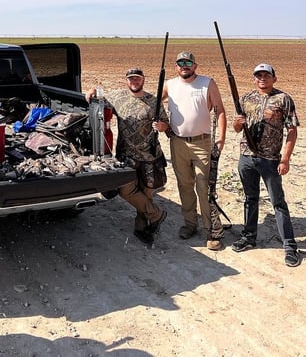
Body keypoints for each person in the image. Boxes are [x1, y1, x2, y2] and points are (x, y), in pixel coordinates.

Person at [85, 68, 168, 244]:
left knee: (146, 193)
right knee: (126, 191)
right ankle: (156, 214)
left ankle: (142, 228)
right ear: (126, 81)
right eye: (131, 79)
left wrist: (162, 127)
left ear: (143, 80)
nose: (134, 82)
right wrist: (91, 91)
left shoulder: (154, 101)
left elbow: (166, 125)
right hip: (125, 156)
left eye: (137, 78)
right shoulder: (117, 97)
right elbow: (99, 101)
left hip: (149, 157)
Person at [154, 51, 227, 250]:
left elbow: (220, 110)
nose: (184, 65)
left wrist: (220, 139)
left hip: (202, 143)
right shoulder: (169, 85)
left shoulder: (207, 83)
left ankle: (212, 230)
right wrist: (165, 125)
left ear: (195, 65)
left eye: (188, 62)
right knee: (184, 185)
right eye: (180, 63)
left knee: (204, 187)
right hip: (177, 143)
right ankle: (190, 224)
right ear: (176, 66)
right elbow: (152, 104)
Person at [231, 63, 300, 267]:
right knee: (250, 198)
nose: (262, 78)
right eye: (258, 75)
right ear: (254, 79)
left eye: (266, 75)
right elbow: (236, 128)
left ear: (274, 78)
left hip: (270, 160)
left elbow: (292, 130)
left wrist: (285, 159)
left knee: (278, 202)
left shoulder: (283, 99)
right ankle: (249, 237)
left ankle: (289, 246)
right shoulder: (245, 99)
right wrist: (238, 122)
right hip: (246, 158)